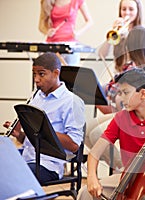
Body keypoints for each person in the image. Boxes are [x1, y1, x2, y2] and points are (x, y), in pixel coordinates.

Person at [77, 68, 145, 199]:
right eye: (120, 93)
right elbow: (94, 153)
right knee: (85, 193)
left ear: (143, 94)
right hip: (130, 178)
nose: (120, 98)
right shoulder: (120, 118)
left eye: (125, 93)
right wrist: (92, 177)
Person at [3, 52, 85, 184]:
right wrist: (20, 135)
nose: (36, 79)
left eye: (41, 74)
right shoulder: (36, 97)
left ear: (56, 73)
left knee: (10, 177)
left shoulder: (71, 101)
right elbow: (35, 141)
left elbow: (74, 145)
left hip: (48, 165)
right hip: (27, 157)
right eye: (34, 74)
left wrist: (45, 132)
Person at [85, 26, 145, 170]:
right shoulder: (140, 66)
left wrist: (108, 90)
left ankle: (123, 169)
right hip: (125, 111)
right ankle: (121, 167)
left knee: (96, 134)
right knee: (86, 130)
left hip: (135, 114)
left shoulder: (137, 69)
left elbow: (118, 97)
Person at [38, 0, 93, 65]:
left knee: (71, 73)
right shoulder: (48, 2)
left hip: (70, 44)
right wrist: (47, 32)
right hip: (52, 44)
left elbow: (90, 21)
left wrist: (78, 33)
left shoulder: (77, 1)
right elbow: (41, 26)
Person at [97, 0, 143, 73]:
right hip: (119, 76)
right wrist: (113, 32)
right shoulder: (118, 31)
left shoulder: (142, 33)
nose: (127, 13)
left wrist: (126, 35)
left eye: (131, 9)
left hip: (135, 78)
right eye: (124, 9)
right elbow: (101, 54)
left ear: (137, 11)